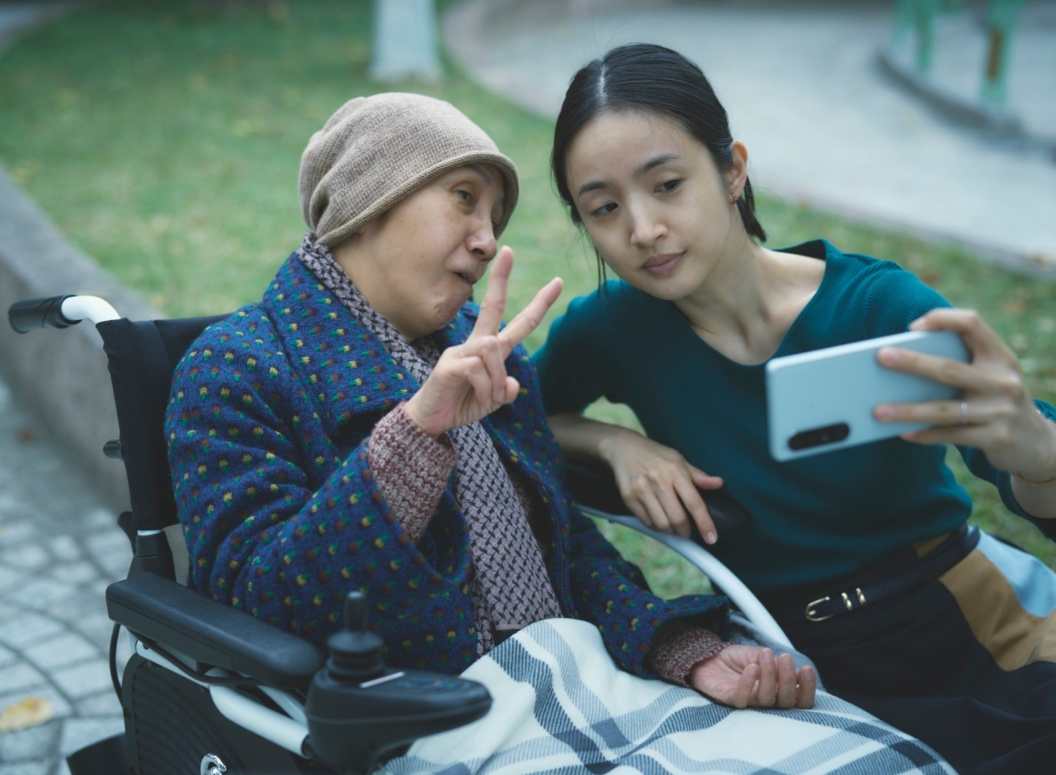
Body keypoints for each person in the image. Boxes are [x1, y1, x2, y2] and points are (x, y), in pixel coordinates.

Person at [163, 92, 818, 713]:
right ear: (369, 199)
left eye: (494, 217)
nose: (486, 240)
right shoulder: (237, 368)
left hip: (577, 682)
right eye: (463, 199)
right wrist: (413, 436)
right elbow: (256, 605)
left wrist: (681, 649)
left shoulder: (485, 356)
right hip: (410, 718)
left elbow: (567, 551)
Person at [535, 43, 1056, 775]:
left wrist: (1041, 452)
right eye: (603, 208)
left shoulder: (878, 306)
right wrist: (614, 443)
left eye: (666, 184)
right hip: (786, 659)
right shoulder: (612, 329)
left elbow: (1045, 497)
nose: (643, 229)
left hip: (966, 623)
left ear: (731, 169)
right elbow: (520, 425)